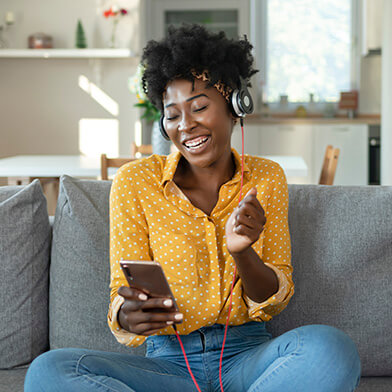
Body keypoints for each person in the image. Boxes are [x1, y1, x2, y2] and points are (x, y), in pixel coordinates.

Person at [25, 23, 361, 392]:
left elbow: (273, 299)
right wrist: (128, 315)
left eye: (200, 107)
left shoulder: (265, 178)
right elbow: (120, 298)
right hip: (167, 364)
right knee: (49, 371)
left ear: (235, 106)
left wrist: (243, 252)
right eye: (172, 114)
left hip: (248, 358)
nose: (186, 126)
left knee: (332, 350)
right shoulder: (136, 183)